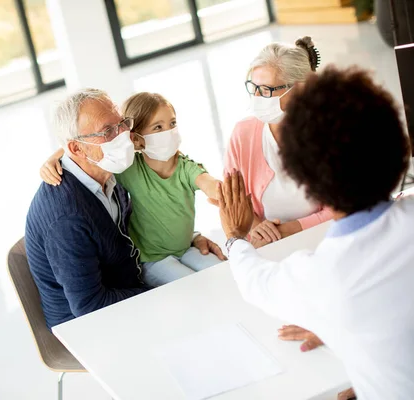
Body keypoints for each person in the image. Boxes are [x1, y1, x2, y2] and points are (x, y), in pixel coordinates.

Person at [218, 65, 413, 399]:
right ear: (401, 148)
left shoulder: (321, 279)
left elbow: (255, 281)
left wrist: (235, 237)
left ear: (305, 183)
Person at [26, 89, 223, 329]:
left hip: (129, 283)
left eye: (122, 124)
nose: (123, 137)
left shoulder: (109, 172)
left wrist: (188, 238)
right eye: (108, 131)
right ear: (76, 149)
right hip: (90, 325)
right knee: (202, 302)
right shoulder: (66, 217)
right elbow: (89, 306)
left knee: (216, 283)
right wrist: (161, 291)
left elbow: (135, 219)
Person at [225, 36, 333, 248]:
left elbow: (343, 206)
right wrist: (257, 226)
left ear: (300, 89)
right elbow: (231, 200)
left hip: (324, 240)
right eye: (253, 88)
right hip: (264, 245)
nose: (257, 97)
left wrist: (290, 230)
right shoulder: (242, 133)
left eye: (267, 90)